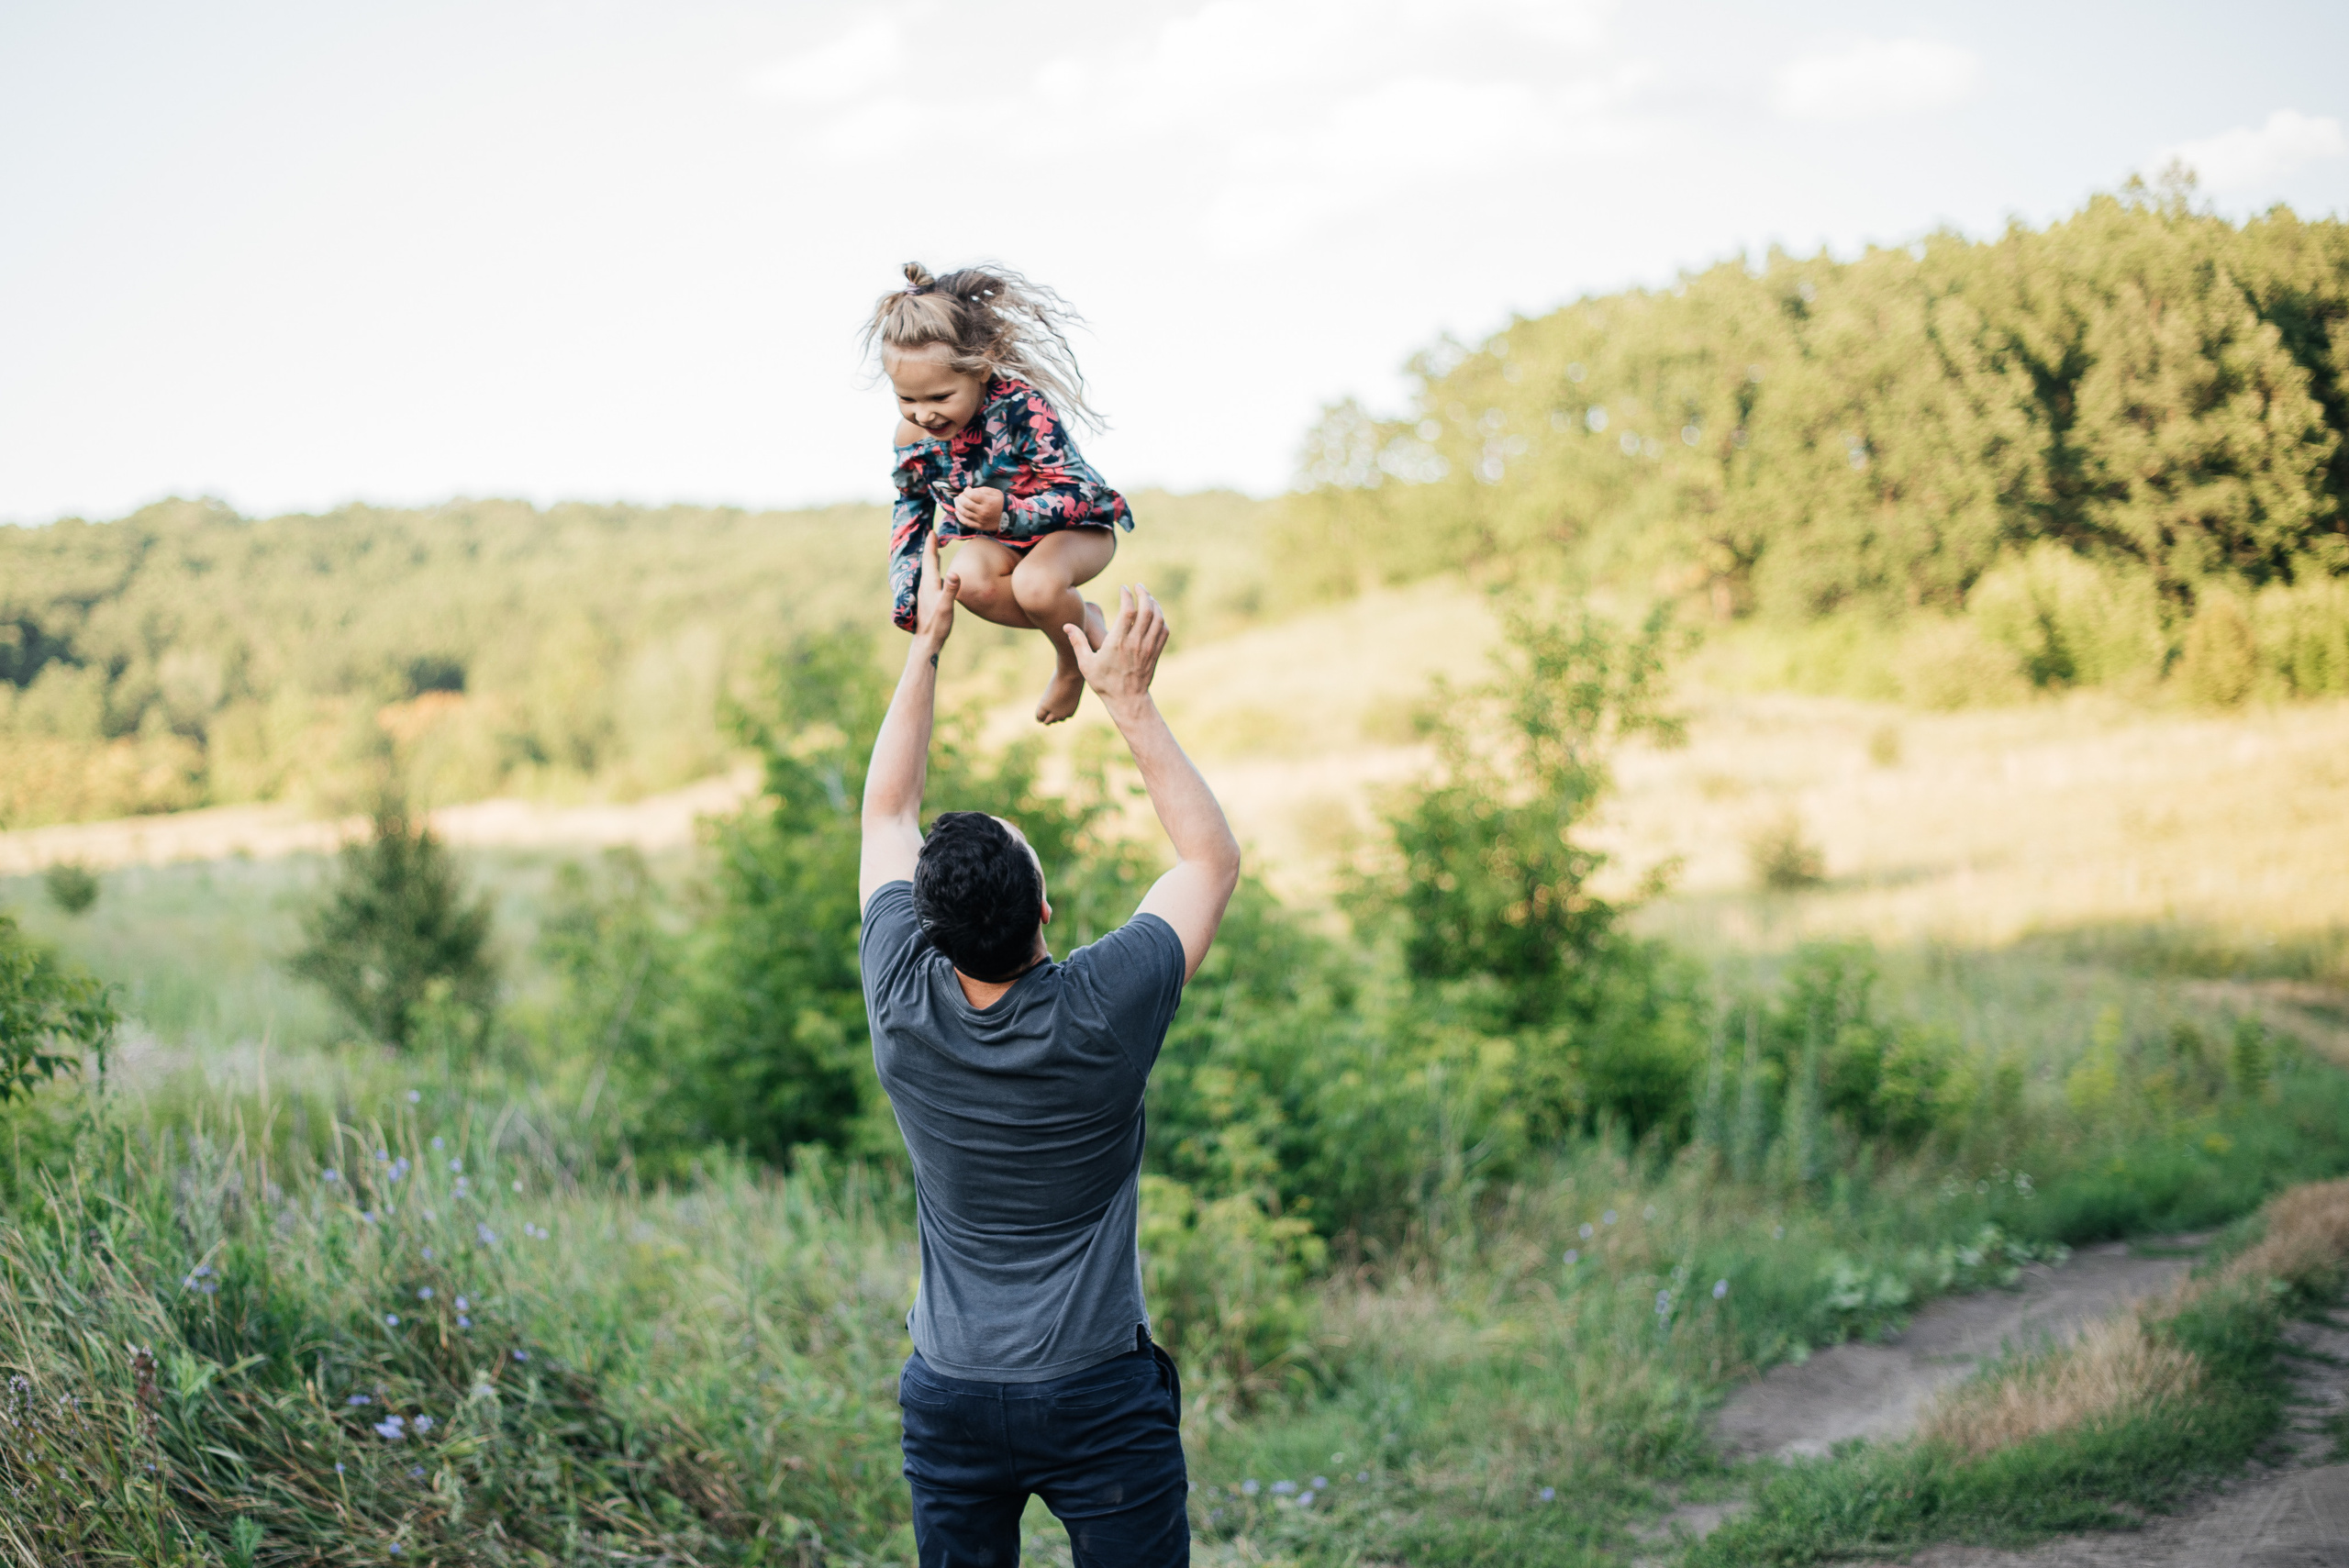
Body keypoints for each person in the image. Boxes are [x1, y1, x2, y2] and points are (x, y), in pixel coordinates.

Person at [858, 530, 1241, 1567]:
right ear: (1045, 905)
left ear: (924, 925)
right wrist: (1128, 698)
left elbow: (887, 806)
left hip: (951, 1393)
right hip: (1094, 1395)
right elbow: (1208, 857)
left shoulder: (900, 998)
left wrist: (924, 646)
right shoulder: (1103, 1008)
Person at [864, 261, 1134, 725]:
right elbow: (910, 510)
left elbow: (1080, 491)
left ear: (982, 368)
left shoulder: (1020, 408)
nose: (924, 415)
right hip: (1000, 546)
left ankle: (1071, 666)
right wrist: (908, 594)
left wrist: (1008, 513)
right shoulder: (913, 439)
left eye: (940, 397)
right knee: (963, 578)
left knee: (1036, 584)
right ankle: (1082, 620)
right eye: (907, 400)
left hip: (1074, 531)